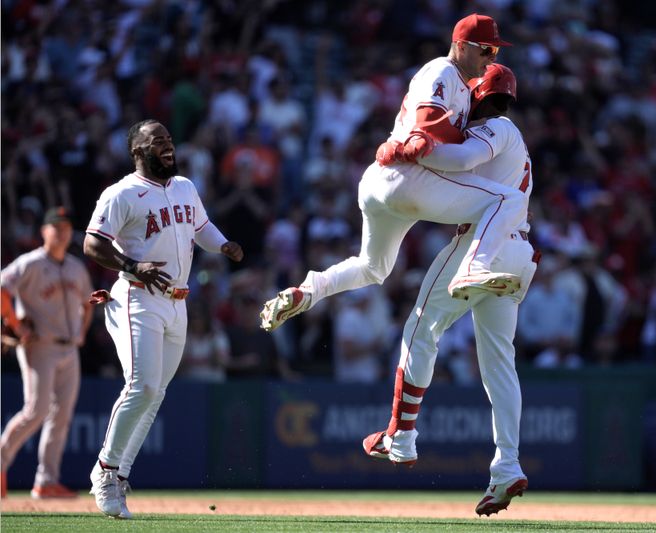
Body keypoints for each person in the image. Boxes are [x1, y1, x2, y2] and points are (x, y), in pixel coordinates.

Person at [259, 13, 528, 332]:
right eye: (486, 49)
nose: (490, 57)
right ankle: (474, 269)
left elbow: (432, 137)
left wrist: (410, 143)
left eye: (495, 52)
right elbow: (427, 122)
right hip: (407, 178)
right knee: (508, 199)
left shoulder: (461, 88)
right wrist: (413, 141)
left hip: (382, 181)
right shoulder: (443, 69)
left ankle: (307, 292)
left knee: (373, 268)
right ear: (460, 45)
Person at [361, 64, 537, 516]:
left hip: (484, 244)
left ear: (477, 95)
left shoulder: (495, 128)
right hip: (519, 251)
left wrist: (407, 148)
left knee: (421, 328)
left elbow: (457, 160)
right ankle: (507, 466)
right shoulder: (510, 132)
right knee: (500, 367)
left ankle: (401, 435)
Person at [83, 119, 243, 518]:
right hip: (139, 297)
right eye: (157, 141)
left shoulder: (185, 187)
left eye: (169, 139)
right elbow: (92, 243)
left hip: (177, 302)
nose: (167, 146)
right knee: (142, 386)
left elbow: (201, 228)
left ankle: (120, 475)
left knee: (156, 394)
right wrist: (132, 265)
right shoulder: (122, 193)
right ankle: (104, 470)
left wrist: (223, 245)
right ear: (138, 151)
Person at [0, 207, 93, 499]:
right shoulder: (30, 263)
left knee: (61, 416)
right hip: (40, 346)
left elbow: (88, 302)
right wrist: (15, 325)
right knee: (36, 411)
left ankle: (46, 481)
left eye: (66, 226)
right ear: (44, 231)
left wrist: (83, 331)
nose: (62, 231)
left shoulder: (77, 267)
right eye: (56, 226)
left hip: (69, 349)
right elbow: (2, 289)